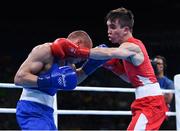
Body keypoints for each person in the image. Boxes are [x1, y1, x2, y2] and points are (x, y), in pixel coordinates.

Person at [77, 7, 168, 130]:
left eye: (113, 27)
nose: (109, 31)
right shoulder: (127, 51)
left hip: (151, 103)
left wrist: (78, 52)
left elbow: (110, 53)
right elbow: (130, 79)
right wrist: (112, 66)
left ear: (125, 30)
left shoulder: (132, 46)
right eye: (108, 27)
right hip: (146, 102)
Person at [14, 30, 107, 130]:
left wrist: (89, 67)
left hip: (48, 112)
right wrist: (48, 80)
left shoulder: (70, 65)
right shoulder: (45, 50)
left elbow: (72, 81)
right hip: (31, 108)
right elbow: (19, 78)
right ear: (78, 43)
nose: (83, 58)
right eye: (84, 53)